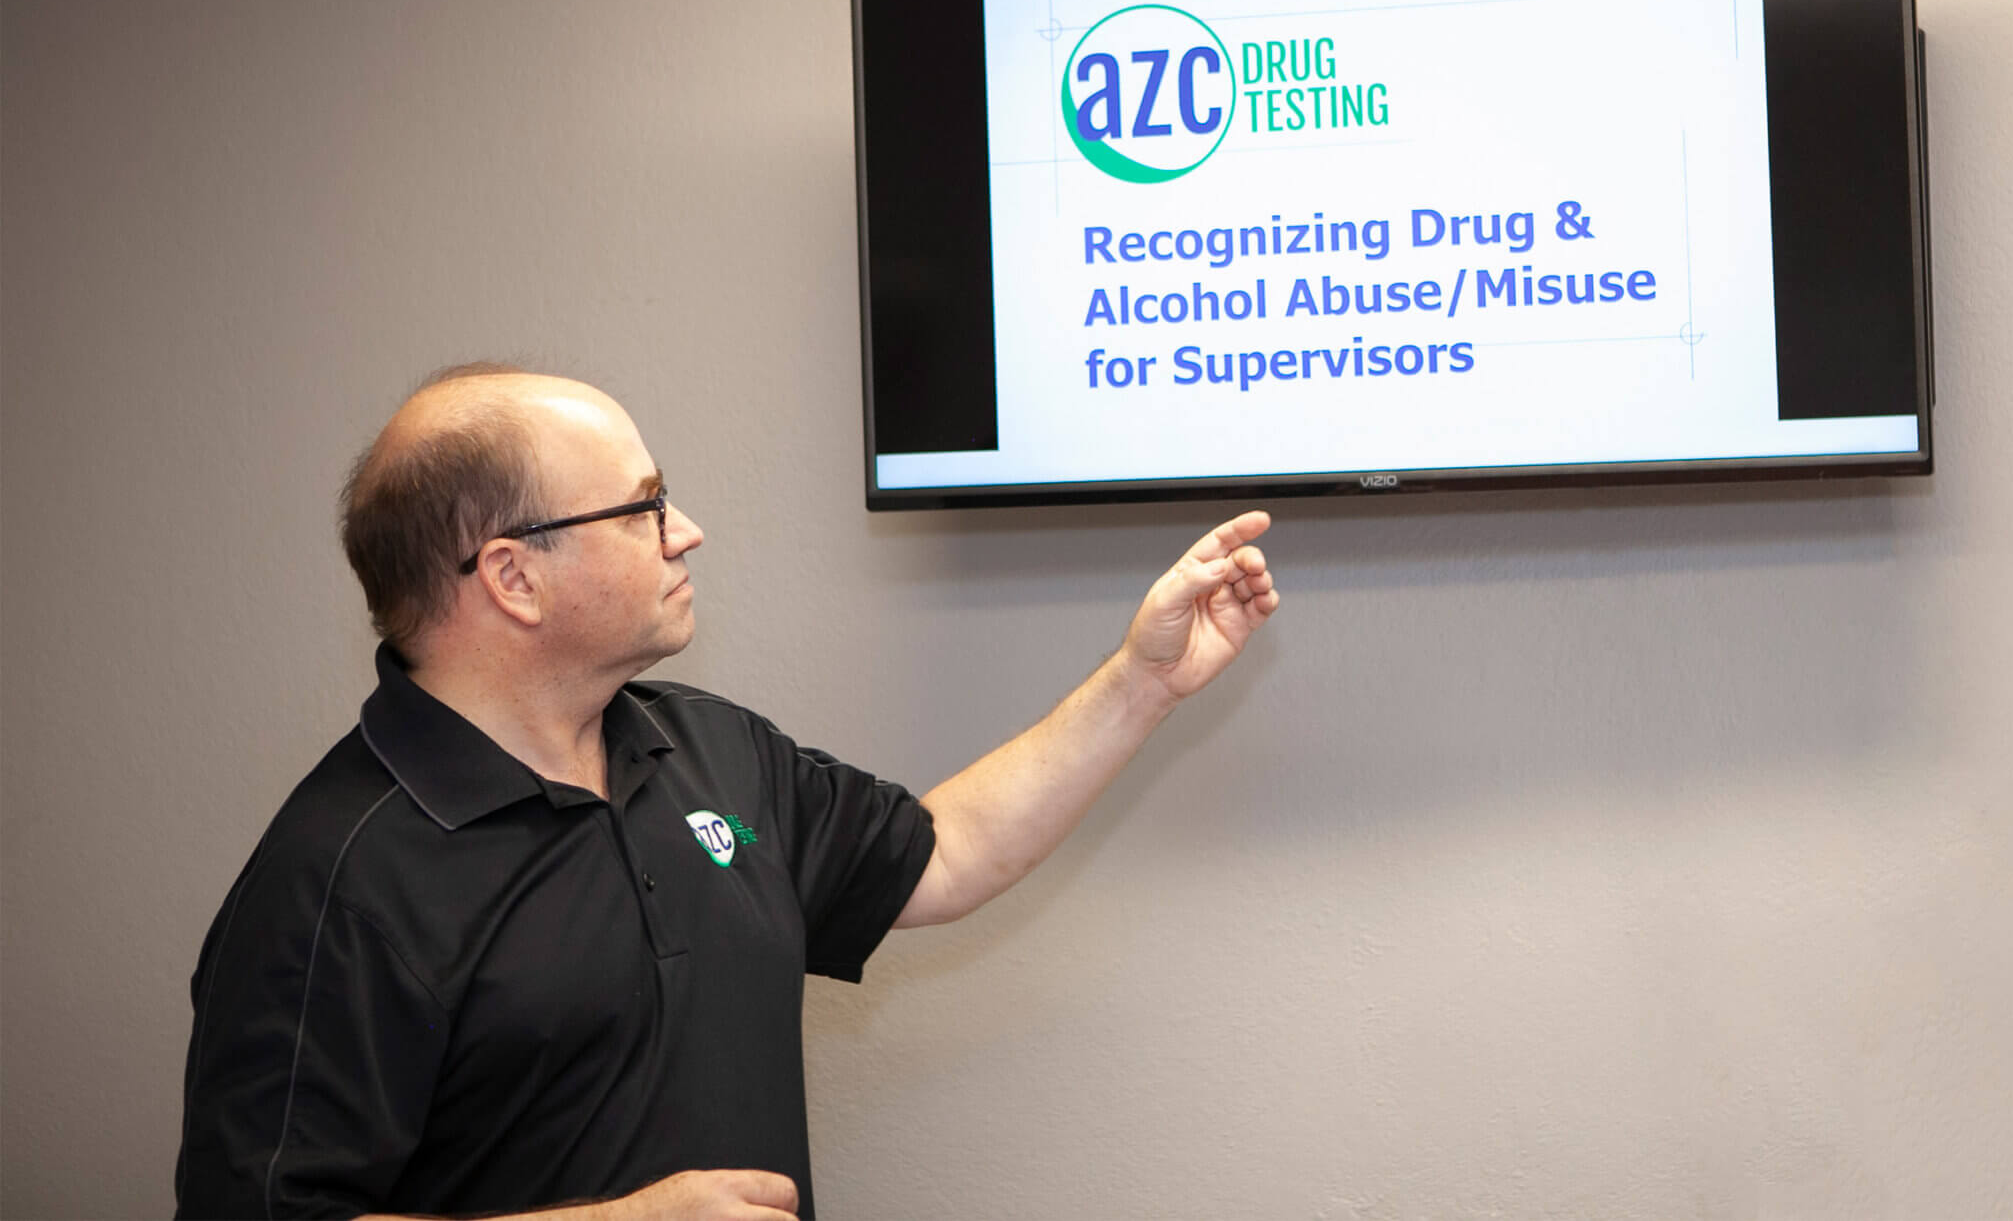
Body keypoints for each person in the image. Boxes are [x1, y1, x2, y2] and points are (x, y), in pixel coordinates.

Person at [174, 365, 1278, 1221]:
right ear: (512, 577)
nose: (686, 531)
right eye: (643, 507)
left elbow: (941, 853)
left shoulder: (699, 747)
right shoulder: (337, 879)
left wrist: (1142, 685)